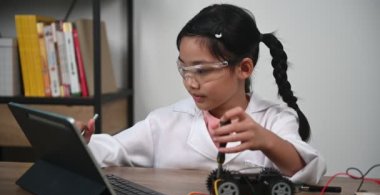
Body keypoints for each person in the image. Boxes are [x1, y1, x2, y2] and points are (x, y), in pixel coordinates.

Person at [80, 3, 326, 184]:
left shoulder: (275, 120)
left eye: (201, 70)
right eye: (183, 68)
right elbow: (113, 150)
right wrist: (81, 141)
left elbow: (308, 171)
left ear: (243, 68)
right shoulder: (164, 122)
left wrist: (266, 140)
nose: (190, 82)